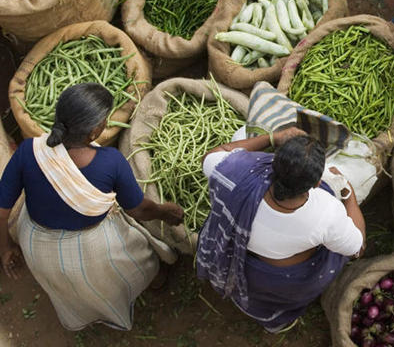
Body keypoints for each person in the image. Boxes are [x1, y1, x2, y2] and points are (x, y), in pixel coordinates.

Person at [0, 83, 183, 331]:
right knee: (135, 264)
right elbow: (138, 210)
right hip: (91, 246)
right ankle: (155, 281)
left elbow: (2, 208)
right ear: (94, 132)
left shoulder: (29, 151)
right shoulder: (111, 162)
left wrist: (7, 246)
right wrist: (165, 212)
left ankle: (83, 311)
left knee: (67, 287)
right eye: (104, 121)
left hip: (37, 244)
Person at [196, 128, 366, 333]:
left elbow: (211, 156)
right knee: (336, 247)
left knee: (239, 136)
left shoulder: (235, 172)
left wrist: (272, 137)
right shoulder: (327, 213)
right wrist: (349, 196)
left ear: (273, 161)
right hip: (280, 276)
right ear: (316, 183)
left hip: (238, 251)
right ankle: (277, 321)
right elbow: (357, 248)